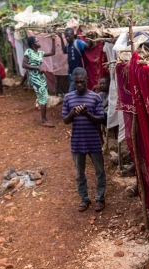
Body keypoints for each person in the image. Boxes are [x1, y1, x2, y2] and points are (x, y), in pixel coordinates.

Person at [62, 67, 106, 212]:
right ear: (73, 82)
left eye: (82, 82)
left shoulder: (95, 97)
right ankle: (84, 199)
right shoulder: (68, 98)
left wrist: (87, 114)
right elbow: (65, 121)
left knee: (99, 171)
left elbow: (100, 119)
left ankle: (100, 199)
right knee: (79, 173)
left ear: (87, 80)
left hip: (93, 141)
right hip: (77, 142)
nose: (79, 85)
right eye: (76, 82)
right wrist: (73, 113)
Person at [22, 35, 56, 127]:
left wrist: (53, 40)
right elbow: (24, 64)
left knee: (44, 97)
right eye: (37, 42)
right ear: (32, 44)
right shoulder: (28, 51)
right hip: (35, 78)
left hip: (41, 77)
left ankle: (44, 119)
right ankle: (43, 120)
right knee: (43, 97)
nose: (39, 43)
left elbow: (53, 52)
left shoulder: (40, 53)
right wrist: (36, 67)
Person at [58, 27, 93, 92]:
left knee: (71, 92)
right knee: (76, 92)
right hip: (71, 73)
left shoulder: (78, 43)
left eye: (69, 36)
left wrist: (90, 38)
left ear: (73, 35)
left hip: (78, 74)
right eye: (66, 36)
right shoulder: (68, 44)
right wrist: (61, 38)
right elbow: (64, 50)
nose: (67, 38)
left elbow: (88, 46)